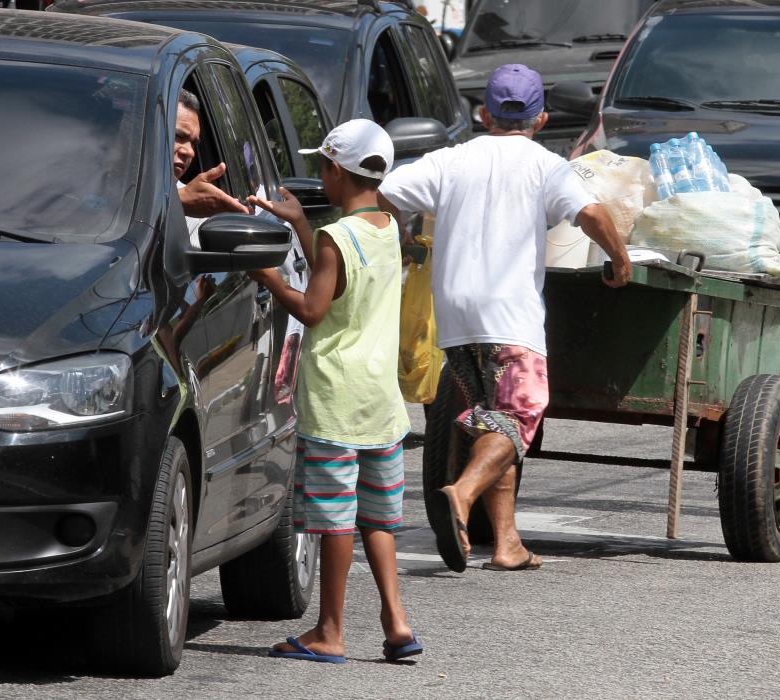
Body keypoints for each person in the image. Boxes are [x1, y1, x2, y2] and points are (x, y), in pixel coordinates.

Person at [378, 63, 632, 573]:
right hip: (510, 318)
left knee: (494, 422)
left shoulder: (449, 159)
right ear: (541, 118)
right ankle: (462, 493)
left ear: (482, 113)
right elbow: (594, 215)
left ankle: (507, 542)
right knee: (518, 418)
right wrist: (620, 262)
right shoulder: (546, 165)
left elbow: (383, 192)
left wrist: (402, 234)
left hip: (455, 317)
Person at [247, 119, 422, 664]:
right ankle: (396, 621)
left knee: (334, 517)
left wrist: (265, 271)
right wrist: (302, 224)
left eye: (322, 166)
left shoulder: (335, 237)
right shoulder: (388, 226)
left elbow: (313, 306)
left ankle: (330, 631)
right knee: (378, 516)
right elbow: (342, 277)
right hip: (380, 400)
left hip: (335, 398)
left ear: (334, 172)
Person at [172, 89, 249, 230]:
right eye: (178, 136)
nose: (190, 152)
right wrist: (176, 201)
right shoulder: (186, 201)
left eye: (194, 144)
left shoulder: (197, 213)